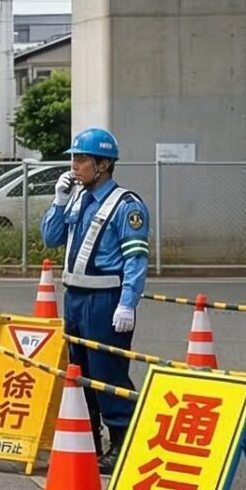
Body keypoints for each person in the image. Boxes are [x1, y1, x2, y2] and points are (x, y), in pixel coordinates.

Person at [39, 127, 149, 471]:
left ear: (103, 165)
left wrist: (128, 302)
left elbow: (135, 259)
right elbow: (50, 238)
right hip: (75, 297)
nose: (74, 165)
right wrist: (58, 202)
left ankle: (122, 442)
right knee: (80, 371)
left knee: (107, 374)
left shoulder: (126, 206)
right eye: (73, 158)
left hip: (105, 300)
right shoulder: (77, 198)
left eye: (81, 159)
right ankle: (89, 438)